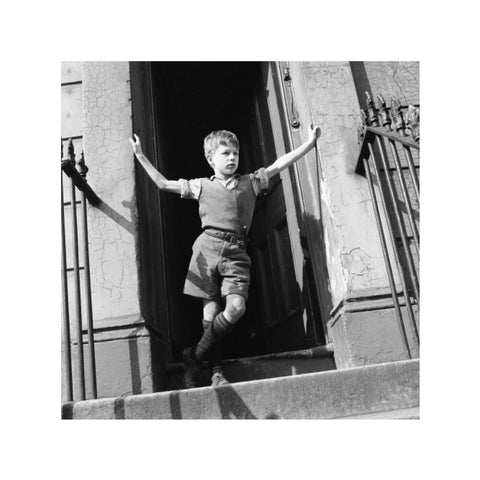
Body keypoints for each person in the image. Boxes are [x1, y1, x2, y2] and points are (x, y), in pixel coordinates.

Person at [129, 123, 321, 388]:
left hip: (236, 253)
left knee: (236, 308)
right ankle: (216, 373)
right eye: (225, 153)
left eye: (235, 153)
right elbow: (163, 184)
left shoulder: (251, 182)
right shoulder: (200, 186)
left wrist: (309, 144)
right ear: (210, 159)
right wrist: (140, 155)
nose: (232, 157)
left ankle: (193, 356)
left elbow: (280, 163)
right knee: (210, 315)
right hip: (206, 251)